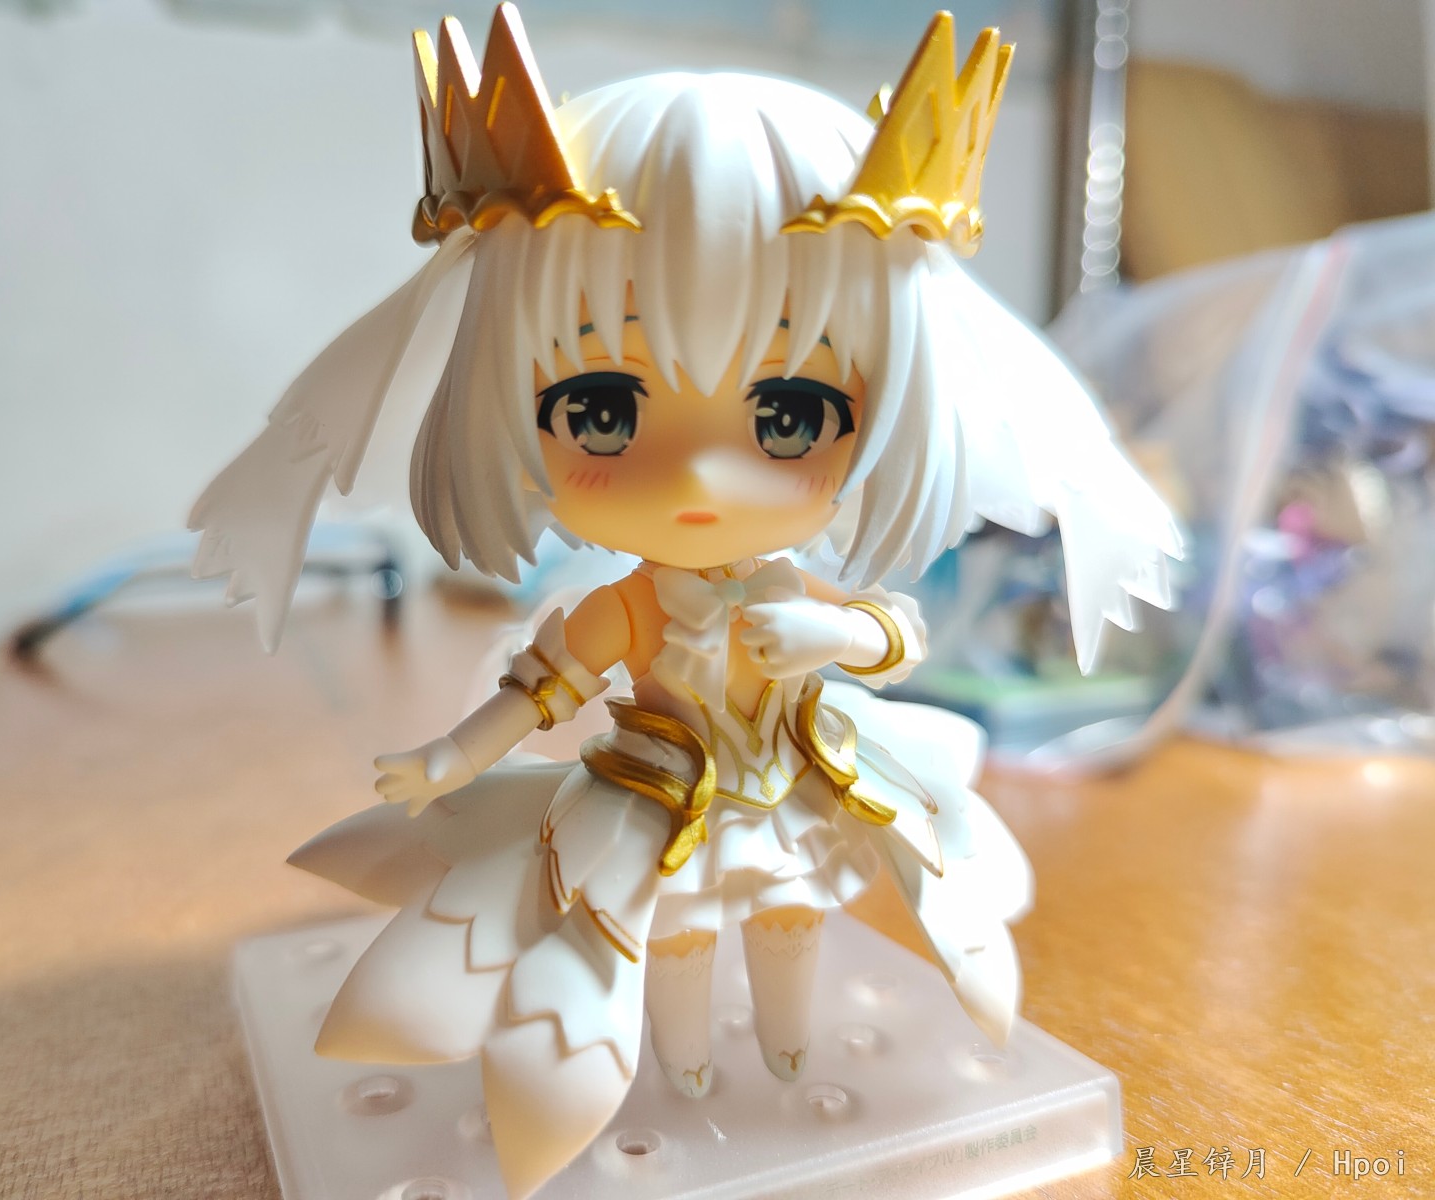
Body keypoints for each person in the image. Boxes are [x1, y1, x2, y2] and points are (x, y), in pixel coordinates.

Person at [190, 7, 1182, 1196]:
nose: (703, 479)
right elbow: (544, 686)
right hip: (657, 801)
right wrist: (449, 759)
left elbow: (891, 635)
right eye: (602, 411)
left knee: (793, 921)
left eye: (790, 417)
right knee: (678, 932)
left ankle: (786, 1045)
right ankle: (686, 1066)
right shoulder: (633, 608)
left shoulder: (788, 582)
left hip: (797, 780)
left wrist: (829, 629)